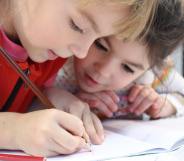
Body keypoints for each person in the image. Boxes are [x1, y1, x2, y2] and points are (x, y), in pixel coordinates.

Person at [0, 0, 158, 157]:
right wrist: (13, 130)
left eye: (97, 38)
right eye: (78, 26)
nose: (82, 52)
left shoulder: (50, 55)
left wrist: (44, 100)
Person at [55, 0, 184, 121]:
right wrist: (62, 101)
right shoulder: (57, 60)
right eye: (101, 46)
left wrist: (166, 105)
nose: (103, 71)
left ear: (150, 67)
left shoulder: (155, 74)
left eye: (128, 68)